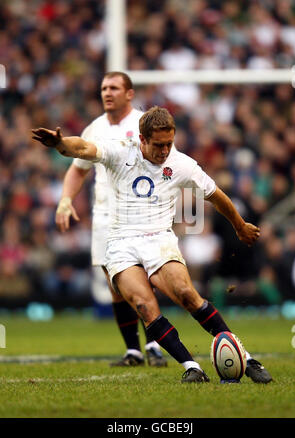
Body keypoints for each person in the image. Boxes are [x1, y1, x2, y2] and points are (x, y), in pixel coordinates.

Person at [32, 106, 272, 384]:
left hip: (159, 238)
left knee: (186, 294)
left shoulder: (182, 164)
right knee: (144, 307)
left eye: (169, 143)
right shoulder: (121, 151)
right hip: (121, 242)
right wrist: (61, 144)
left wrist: (240, 225)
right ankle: (191, 366)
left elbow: (216, 196)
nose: (164, 151)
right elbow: (84, 148)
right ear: (142, 139)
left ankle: (248, 358)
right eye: (158, 145)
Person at [54, 72, 167, 367]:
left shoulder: (144, 123)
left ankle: (154, 345)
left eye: (114, 88)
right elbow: (78, 169)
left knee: (143, 282)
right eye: (104, 87)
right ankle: (134, 351)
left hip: (140, 213)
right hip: (105, 216)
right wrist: (66, 200)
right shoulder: (95, 128)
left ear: (129, 94)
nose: (107, 92)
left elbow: (166, 160)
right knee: (116, 287)